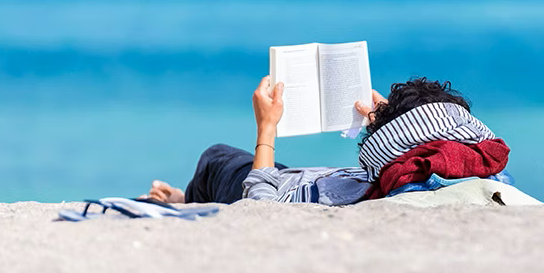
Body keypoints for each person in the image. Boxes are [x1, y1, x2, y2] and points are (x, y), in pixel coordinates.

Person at [145, 76, 510, 205]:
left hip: (279, 190)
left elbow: (260, 208)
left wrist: (267, 128)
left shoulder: (402, 184)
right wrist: (388, 116)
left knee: (217, 157)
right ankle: (185, 196)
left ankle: (185, 200)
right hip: (323, 181)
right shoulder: (471, 165)